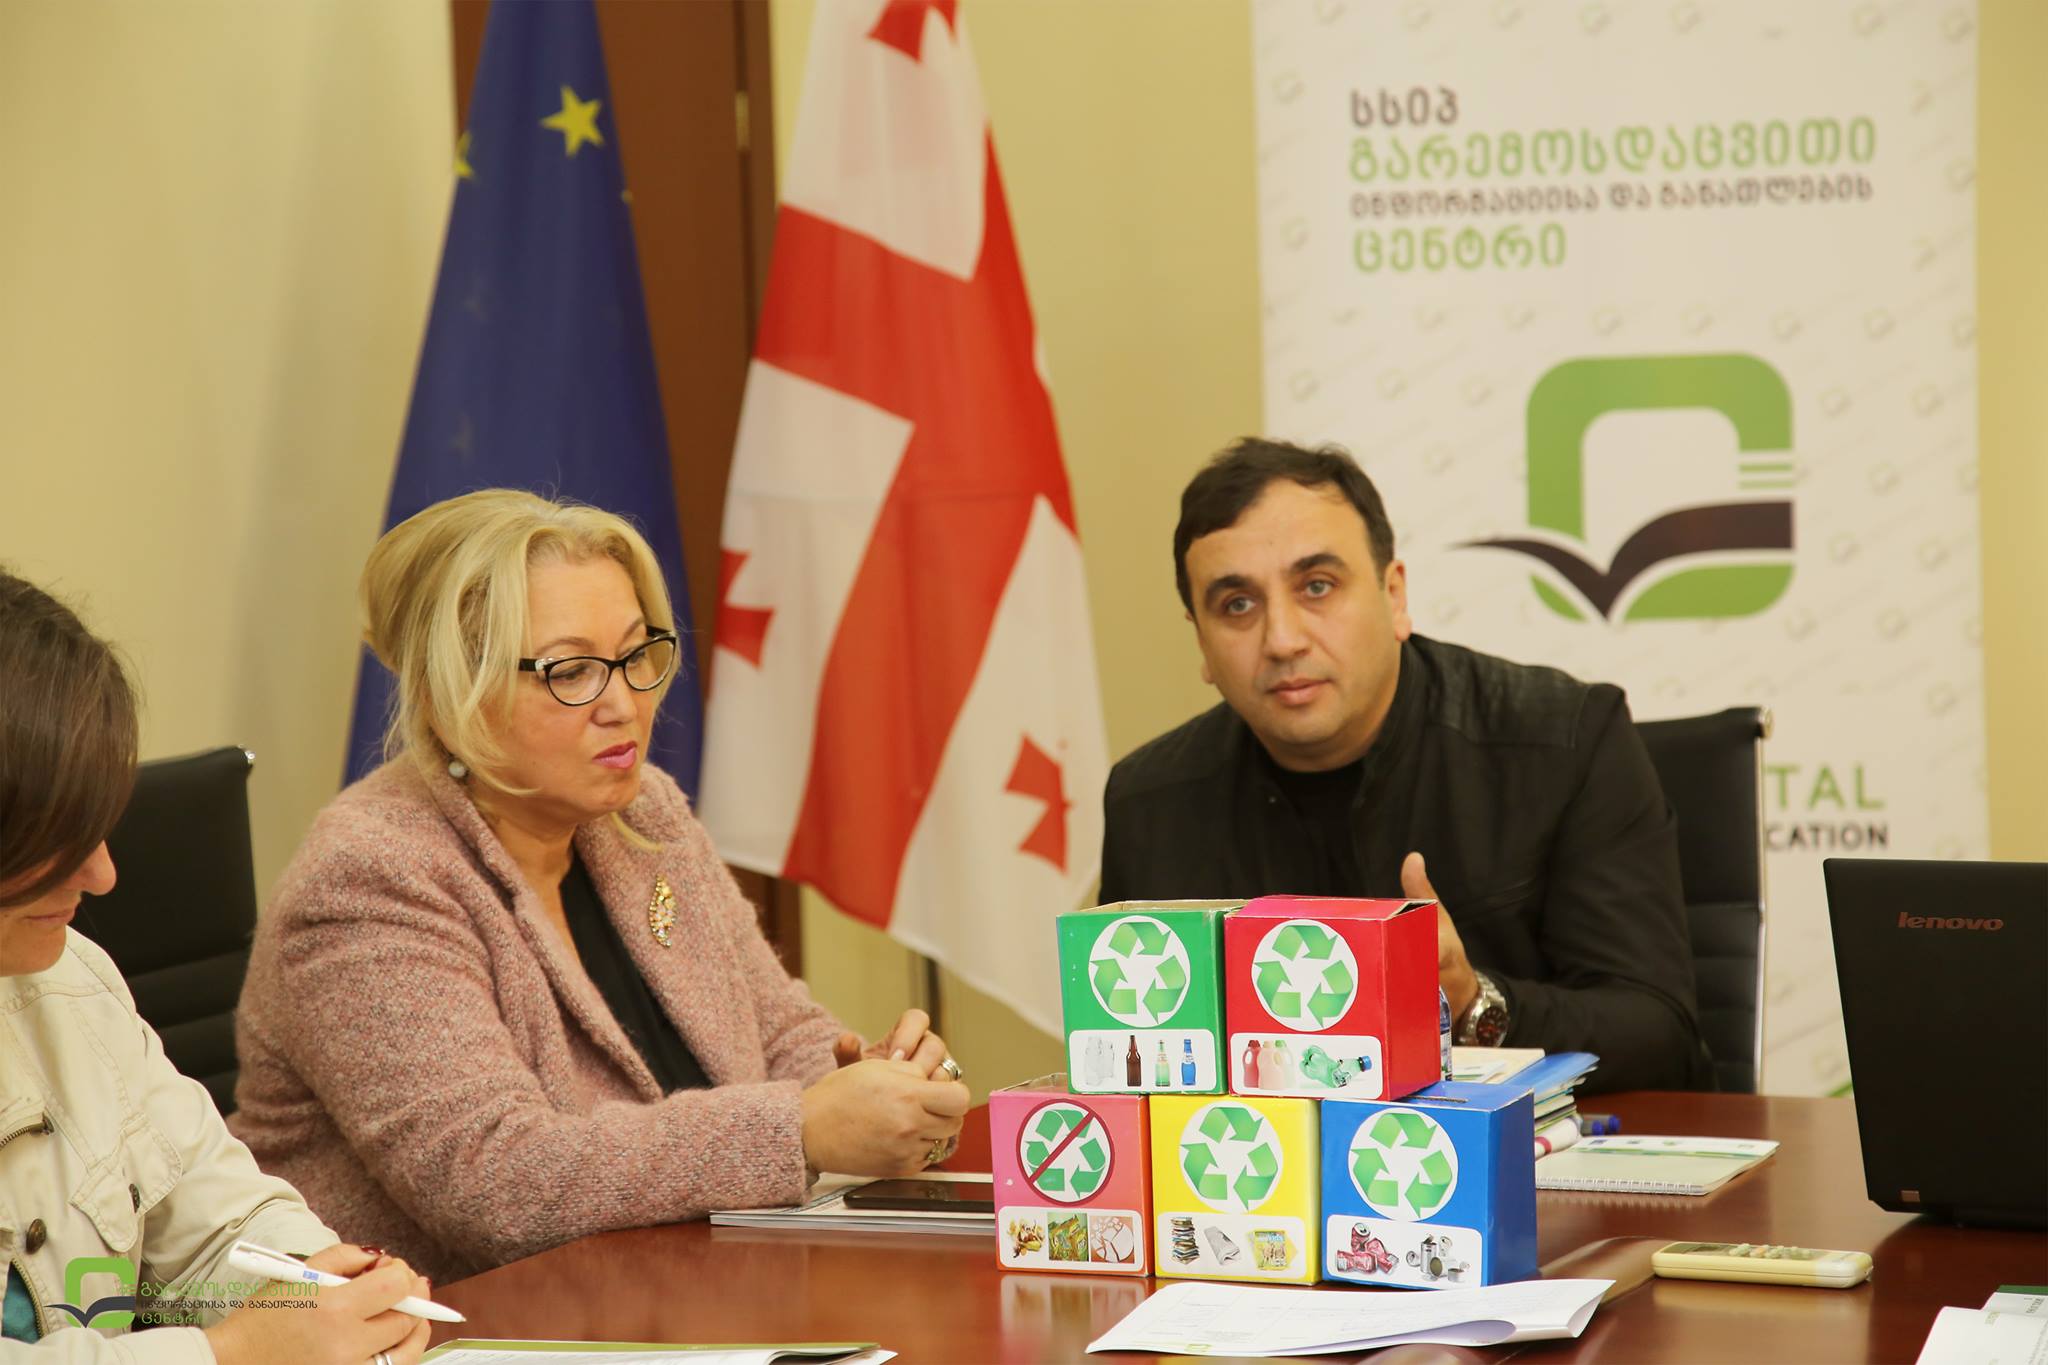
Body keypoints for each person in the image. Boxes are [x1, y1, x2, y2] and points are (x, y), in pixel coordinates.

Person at [230, 490, 970, 1282]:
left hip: (677, 1292)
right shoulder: (370, 877)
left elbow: (778, 1030)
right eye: (572, 670)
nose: (625, 704)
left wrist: (878, 1080)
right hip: (451, 1321)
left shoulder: (642, 812)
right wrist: (802, 1127)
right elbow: (496, 1181)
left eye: (635, 654)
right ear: (453, 699)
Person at [1099, 439, 1711, 1092]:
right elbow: (1130, 1062)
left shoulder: (1566, 741)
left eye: (1317, 586)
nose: (1282, 639)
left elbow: (1660, 1035)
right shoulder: (1151, 802)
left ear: (1394, 596)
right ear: (1200, 641)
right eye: (1237, 605)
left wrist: (1472, 1002)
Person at [0, 569, 433, 1364]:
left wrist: (319, 1284)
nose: (103, 875)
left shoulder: (71, 981)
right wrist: (236, 1350)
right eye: (54, 836)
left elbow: (216, 1224)